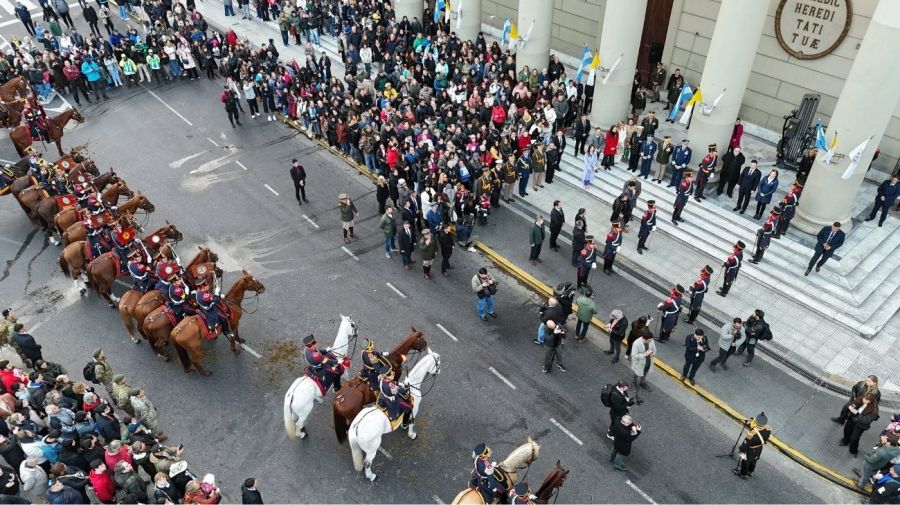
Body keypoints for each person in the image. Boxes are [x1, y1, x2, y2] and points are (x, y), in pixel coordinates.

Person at [734, 413, 771, 478]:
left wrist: (741, 449)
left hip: (751, 450)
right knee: (754, 460)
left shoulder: (751, 434)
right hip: (759, 448)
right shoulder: (768, 430)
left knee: (746, 462)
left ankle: (743, 474)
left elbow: (745, 444)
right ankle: (750, 472)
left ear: (756, 422)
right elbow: (761, 431)